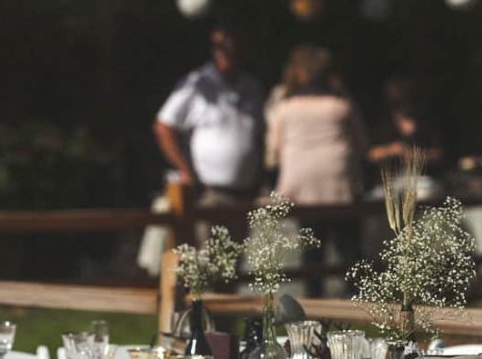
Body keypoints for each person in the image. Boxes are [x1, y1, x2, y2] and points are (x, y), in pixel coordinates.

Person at [266, 45, 367, 294]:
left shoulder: (285, 108)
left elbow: (272, 152)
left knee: (311, 250)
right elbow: (362, 143)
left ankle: (313, 305)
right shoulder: (340, 105)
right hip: (339, 182)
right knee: (349, 248)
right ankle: (360, 302)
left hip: (302, 185)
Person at [153, 23, 264, 232]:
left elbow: (259, 137)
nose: (228, 50)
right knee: (207, 261)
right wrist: (185, 170)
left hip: (245, 194)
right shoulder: (196, 84)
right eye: (222, 46)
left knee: (232, 261)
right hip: (208, 194)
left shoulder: (252, 87)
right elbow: (164, 126)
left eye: (233, 44)